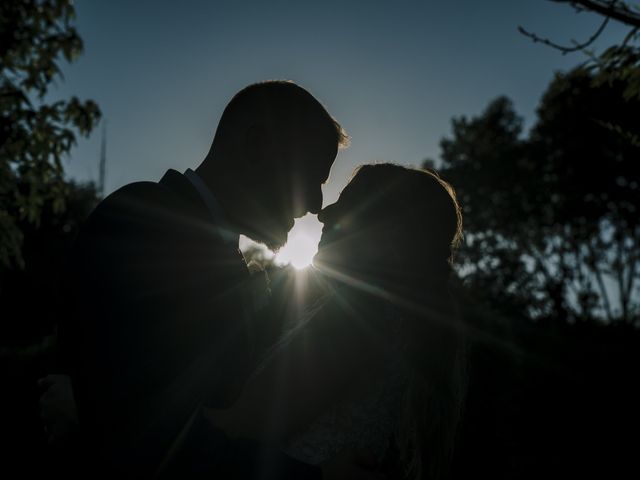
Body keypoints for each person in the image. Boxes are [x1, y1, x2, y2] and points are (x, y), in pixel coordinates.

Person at [54, 80, 355, 478]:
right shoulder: (146, 222)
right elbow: (148, 436)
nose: (317, 205)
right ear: (257, 145)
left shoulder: (216, 255)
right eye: (313, 176)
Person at [206, 164, 467, 480]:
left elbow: (238, 427)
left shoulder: (359, 315)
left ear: (388, 231)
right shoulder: (406, 325)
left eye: (348, 202)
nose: (324, 213)